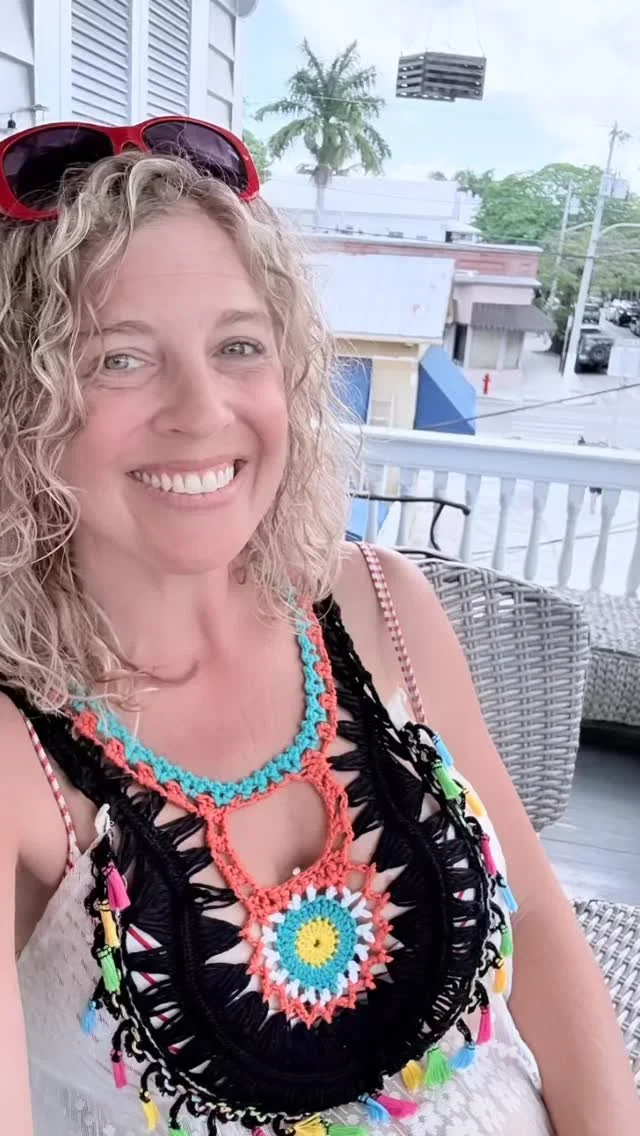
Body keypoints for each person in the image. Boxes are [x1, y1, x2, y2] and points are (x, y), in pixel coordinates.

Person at [0, 118, 637, 1136]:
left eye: (238, 346)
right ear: (19, 406)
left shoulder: (382, 604)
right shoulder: (17, 748)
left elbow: (543, 930)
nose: (202, 410)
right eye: (119, 358)